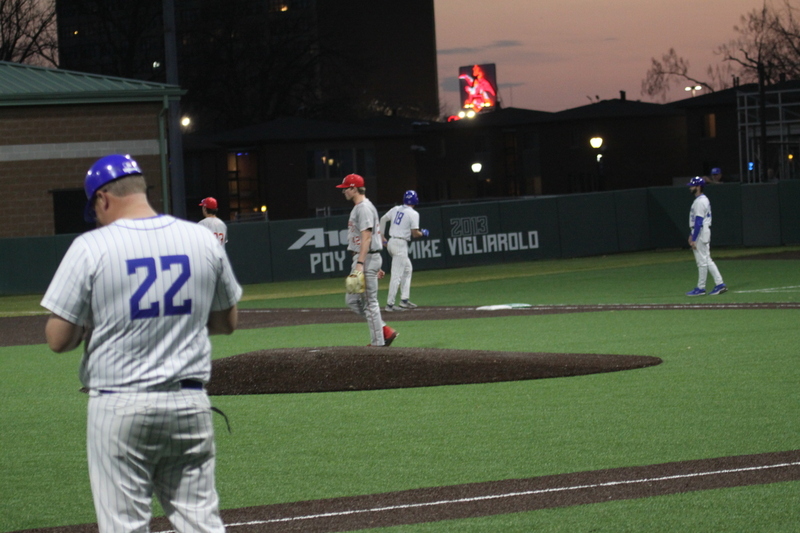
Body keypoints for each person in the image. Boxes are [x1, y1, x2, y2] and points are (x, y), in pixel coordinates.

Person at [41, 154, 242, 533]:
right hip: (189, 404)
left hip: (120, 405)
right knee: (201, 522)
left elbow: (58, 339)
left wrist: (98, 320)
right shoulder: (201, 238)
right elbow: (226, 322)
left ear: (103, 199)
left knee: (125, 526)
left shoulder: (91, 247)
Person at [336, 173, 398, 346]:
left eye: (345, 188)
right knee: (353, 300)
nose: (343, 192)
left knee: (370, 303)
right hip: (368, 257)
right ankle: (384, 329)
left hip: (365, 257)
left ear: (353, 188)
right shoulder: (362, 206)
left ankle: (378, 343)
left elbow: (367, 237)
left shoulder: (363, 207)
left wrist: (362, 264)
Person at [380, 190, 429, 312]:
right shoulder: (413, 213)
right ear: (415, 200)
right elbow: (415, 234)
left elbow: (382, 219)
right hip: (400, 244)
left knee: (407, 269)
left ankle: (404, 300)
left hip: (392, 242)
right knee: (396, 275)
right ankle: (389, 305)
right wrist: (423, 233)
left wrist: (381, 236)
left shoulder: (396, 208)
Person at [685, 176, 727, 296]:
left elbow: (698, 221)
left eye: (692, 186)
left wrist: (694, 238)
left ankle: (702, 287)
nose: (690, 188)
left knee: (703, 261)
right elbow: (696, 222)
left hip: (701, 232)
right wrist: (691, 234)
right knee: (706, 260)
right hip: (701, 231)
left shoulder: (700, 201)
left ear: (698, 187)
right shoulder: (702, 200)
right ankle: (719, 284)